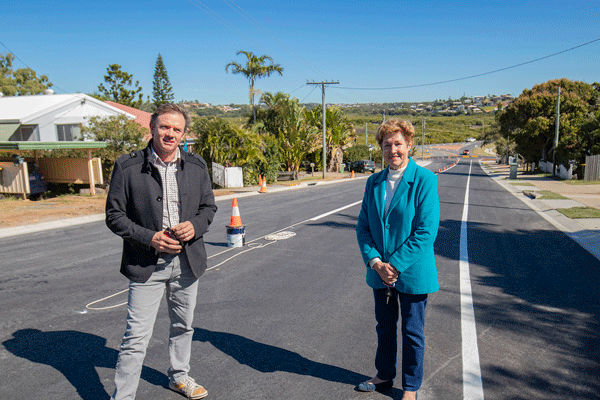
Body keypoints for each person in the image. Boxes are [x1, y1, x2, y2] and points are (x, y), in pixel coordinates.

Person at [106, 103, 217, 400]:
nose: (170, 133)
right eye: (164, 127)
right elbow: (114, 216)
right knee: (136, 338)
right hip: (146, 264)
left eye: (176, 129)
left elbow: (209, 207)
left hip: (187, 262)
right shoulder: (127, 166)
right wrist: (150, 238)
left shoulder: (196, 166)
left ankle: (179, 377)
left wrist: (195, 226)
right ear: (152, 128)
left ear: (184, 133)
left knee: (183, 325)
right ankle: (123, 397)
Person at [355, 119, 440, 400]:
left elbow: (426, 231)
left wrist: (396, 265)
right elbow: (364, 227)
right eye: (387, 144)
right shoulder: (373, 182)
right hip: (380, 273)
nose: (393, 150)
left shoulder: (425, 180)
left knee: (413, 332)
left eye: (398, 144)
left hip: (413, 271)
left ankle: (411, 388)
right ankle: (384, 375)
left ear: (409, 145)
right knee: (385, 328)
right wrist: (377, 263)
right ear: (381, 148)